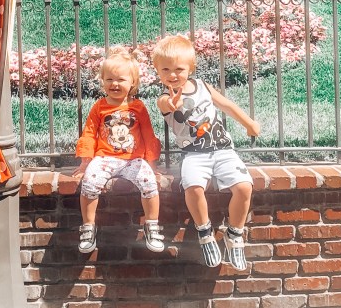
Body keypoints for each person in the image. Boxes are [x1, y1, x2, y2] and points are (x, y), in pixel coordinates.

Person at [150, 34, 260, 270]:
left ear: (190, 68)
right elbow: (167, 106)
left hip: (223, 149)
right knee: (193, 187)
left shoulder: (202, 86)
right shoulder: (164, 98)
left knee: (244, 187)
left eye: (179, 69)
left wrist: (249, 123)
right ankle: (205, 232)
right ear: (157, 71)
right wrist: (173, 104)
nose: (172, 75)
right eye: (165, 69)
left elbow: (226, 105)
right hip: (194, 154)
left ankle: (234, 234)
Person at [73, 47, 165, 255]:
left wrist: (151, 163)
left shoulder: (138, 107)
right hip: (104, 158)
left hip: (133, 159)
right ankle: (88, 227)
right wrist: (85, 162)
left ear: (133, 82)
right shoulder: (99, 107)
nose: (114, 84)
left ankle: (152, 225)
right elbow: (89, 133)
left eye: (120, 80)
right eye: (109, 79)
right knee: (89, 183)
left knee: (149, 183)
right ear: (102, 81)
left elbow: (148, 135)